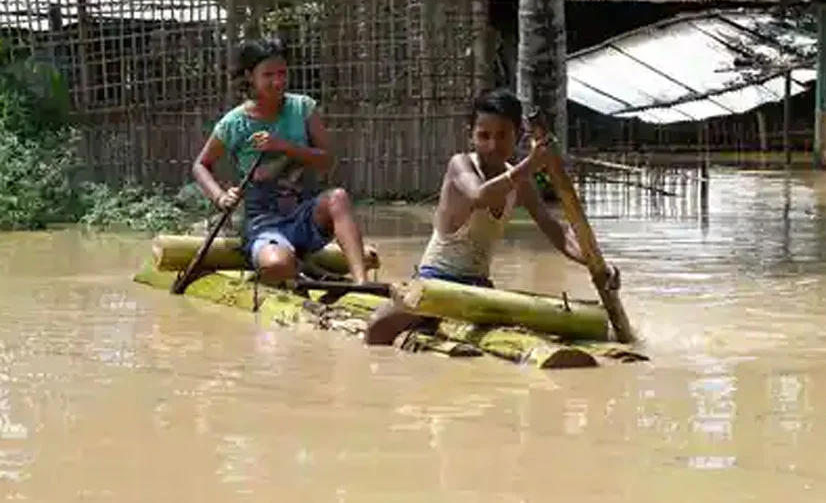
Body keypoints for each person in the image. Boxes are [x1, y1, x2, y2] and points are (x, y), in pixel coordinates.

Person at [365, 87, 618, 345]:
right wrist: (531, 164)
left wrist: (595, 264)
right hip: (435, 281)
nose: (493, 145)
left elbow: (556, 231)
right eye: (484, 136)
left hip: (479, 286)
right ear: (470, 136)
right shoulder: (460, 165)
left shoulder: (520, 181)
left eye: (502, 136)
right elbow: (478, 196)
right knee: (376, 328)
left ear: (518, 135)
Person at [191, 37, 372, 285]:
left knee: (338, 197)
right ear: (249, 76)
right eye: (268, 75)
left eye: (282, 73)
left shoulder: (303, 108)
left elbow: (327, 160)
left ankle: (361, 283)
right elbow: (201, 165)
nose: (278, 82)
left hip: (304, 215)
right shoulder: (234, 123)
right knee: (277, 264)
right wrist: (221, 197)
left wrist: (284, 147)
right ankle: (294, 270)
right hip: (263, 224)